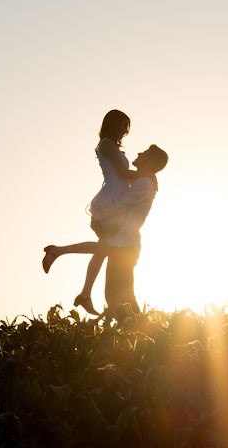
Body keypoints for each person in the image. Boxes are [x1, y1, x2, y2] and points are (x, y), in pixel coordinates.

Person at [42, 144, 168, 317]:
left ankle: (137, 333)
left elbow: (124, 203)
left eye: (145, 153)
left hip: (125, 241)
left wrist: (100, 218)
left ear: (151, 161)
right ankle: (58, 254)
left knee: (120, 297)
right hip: (124, 241)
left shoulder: (145, 183)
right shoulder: (144, 180)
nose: (139, 152)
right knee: (119, 296)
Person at [42, 109, 137, 315]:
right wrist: (147, 175)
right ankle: (58, 253)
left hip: (117, 201)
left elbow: (125, 176)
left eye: (126, 128)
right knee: (106, 249)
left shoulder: (112, 146)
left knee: (104, 249)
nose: (125, 132)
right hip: (110, 202)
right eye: (122, 126)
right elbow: (122, 173)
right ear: (113, 124)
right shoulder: (107, 144)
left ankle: (83, 291)